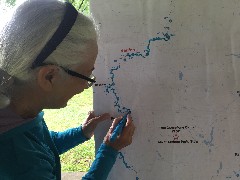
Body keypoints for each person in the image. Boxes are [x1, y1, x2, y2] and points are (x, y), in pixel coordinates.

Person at [0, 0, 136, 179]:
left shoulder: (17, 111)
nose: (88, 86)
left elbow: (43, 145)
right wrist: (109, 151)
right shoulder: (21, 163)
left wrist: (81, 133)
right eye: (87, 76)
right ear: (49, 76)